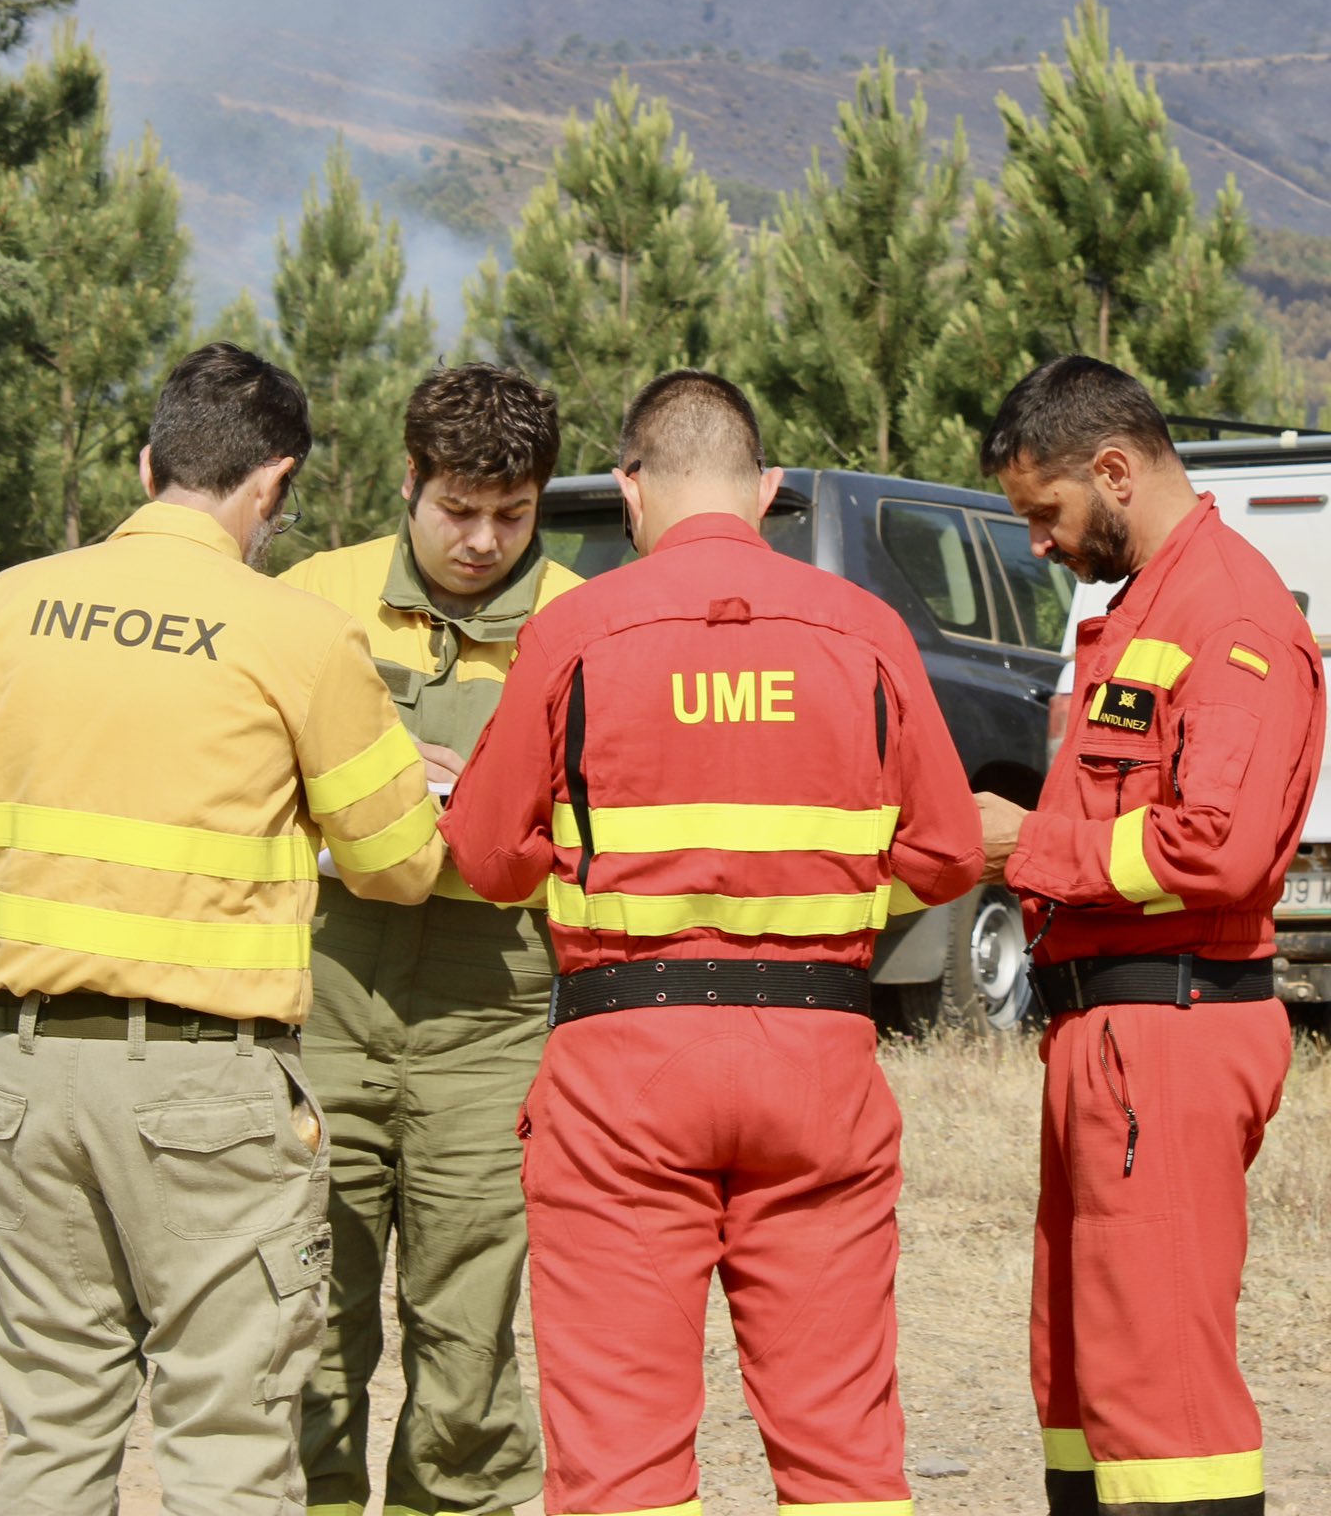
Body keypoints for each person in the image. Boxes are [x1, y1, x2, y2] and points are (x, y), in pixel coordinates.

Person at [0, 342, 446, 1516]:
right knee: (226, 1446)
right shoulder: (293, 634)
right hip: (207, 1089)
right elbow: (401, 865)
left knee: (50, 1430)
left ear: (147, 464)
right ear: (274, 485)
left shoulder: (0, 608)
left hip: (23, 1075)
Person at [440, 369, 982, 1516]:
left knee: (622, 1455)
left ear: (629, 489)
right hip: (818, 1062)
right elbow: (942, 857)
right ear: (767, 488)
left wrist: (566, 857)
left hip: (621, 1068)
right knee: (841, 1446)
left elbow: (486, 858)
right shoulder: (867, 629)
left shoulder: (573, 627)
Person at [976, 356, 1325, 1516]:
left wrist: (1020, 849)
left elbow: (1214, 850)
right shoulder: (1140, 606)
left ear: (1113, 469)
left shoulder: (1225, 614)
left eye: (1044, 512)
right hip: (1110, 1030)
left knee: (1160, 1396)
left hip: (1167, 1030)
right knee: (1079, 1376)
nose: (1036, 542)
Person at [279, 362, 578, 1516]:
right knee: (311, 1311)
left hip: (491, 1006)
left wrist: (496, 793)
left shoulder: (577, 619)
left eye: (511, 513)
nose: (481, 539)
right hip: (323, 993)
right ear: (408, 480)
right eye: (457, 507)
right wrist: (385, 789)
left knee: (466, 1333)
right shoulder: (315, 598)